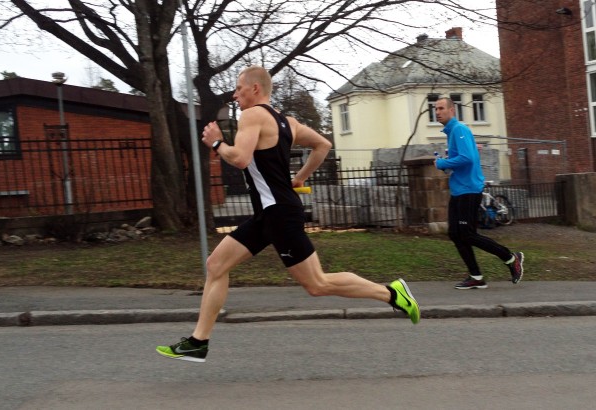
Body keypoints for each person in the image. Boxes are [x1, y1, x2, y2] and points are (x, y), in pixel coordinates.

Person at [156, 65, 420, 363]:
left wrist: (217, 143)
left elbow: (240, 159)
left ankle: (393, 294)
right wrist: (300, 178)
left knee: (317, 284)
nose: (235, 94)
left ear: (255, 89)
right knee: (215, 264)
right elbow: (323, 144)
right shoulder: (289, 122)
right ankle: (197, 342)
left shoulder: (252, 115)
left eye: (239, 88)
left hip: (279, 214)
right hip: (268, 214)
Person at [434, 97, 524, 290]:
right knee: (455, 233)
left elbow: (467, 158)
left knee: (466, 233)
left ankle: (511, 258)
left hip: (469, 190)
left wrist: (442, 163)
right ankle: (476, 276)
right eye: (436, 109)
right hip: (459, 190)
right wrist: (447, 163)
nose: (437, 112)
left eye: (441, 108)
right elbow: (464, 158)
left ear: (452, 110)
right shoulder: (452, 133)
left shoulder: (459, 129)